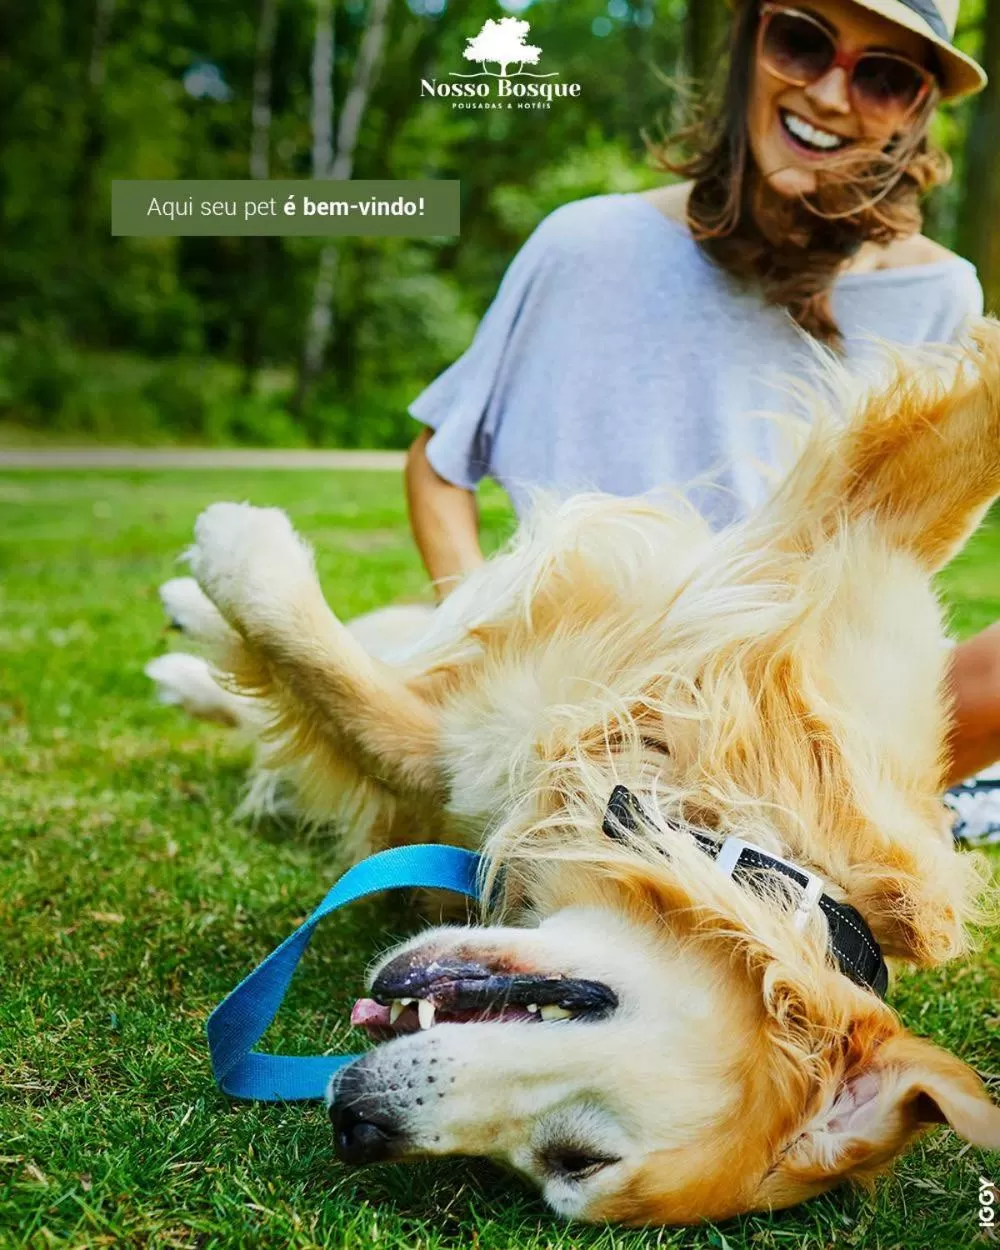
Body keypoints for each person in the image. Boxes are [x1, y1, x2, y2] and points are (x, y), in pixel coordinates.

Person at [404, 0, 1000, 794]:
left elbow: (894, 567)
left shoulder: (942, 299)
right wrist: (478, 636)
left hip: (789, 736)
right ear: (748, 38)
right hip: (574, 711)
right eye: (801, 41)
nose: (828, 96)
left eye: (883, 77)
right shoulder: (586, 246)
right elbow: (439, 465)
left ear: (916, 110)